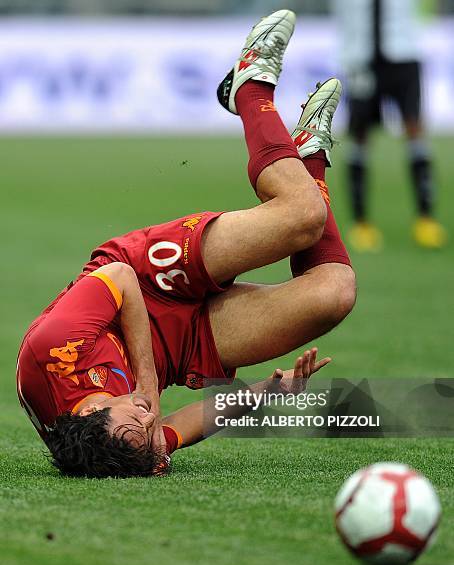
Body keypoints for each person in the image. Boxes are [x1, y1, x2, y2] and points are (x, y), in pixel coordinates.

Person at [16, 10, 356, 478]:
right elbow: (179, 427)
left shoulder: (52, 351)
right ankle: (309, 159)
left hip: (147, 279)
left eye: (137, 422)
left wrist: (149, 383)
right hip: (180, 348)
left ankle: (250, 88)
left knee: (303, 218)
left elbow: (117, 280)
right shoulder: (119, 445)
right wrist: (268, 393)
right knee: (334, 293)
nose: (148, 418)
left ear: (90, 417)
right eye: (148, 430)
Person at [332, 0, 447, 251]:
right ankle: (361, 223)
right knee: (359, 135)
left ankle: (426, 219)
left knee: (415, 130)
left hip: (403, 51)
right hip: (360, 56)